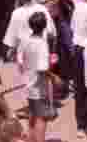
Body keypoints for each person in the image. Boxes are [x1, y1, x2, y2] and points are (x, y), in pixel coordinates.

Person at [20, 11, 55, 142]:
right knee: (42, 118)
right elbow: (42, 69)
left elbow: (21, 59)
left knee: (33, 115)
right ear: (44, 26)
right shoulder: (42, 44)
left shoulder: (26, 40)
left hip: (28, 84)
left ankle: (30, 139)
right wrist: (54, 78)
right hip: (39, 88)